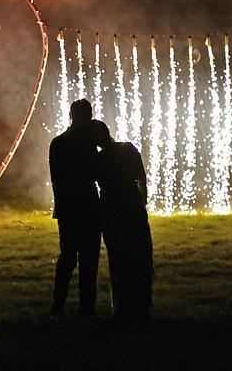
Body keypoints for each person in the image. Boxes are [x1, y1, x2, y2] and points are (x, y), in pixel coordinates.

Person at [91, 120, 154, 323]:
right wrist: (141, 203)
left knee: (118, 257)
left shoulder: (99, 158)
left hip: (112, 206)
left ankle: (121, 306)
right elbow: (142, 178)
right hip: (131, 204)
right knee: (138, 253)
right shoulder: (128, 149)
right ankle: (140, 305)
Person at [48, 99, 102, 317]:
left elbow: (56, 178)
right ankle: (86, 308)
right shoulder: (88, 144)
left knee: (68, 258)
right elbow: (97, 172)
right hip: (86, 205)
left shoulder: (58, 142)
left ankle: (58, 306)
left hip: (69, 207)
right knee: (87, 261)